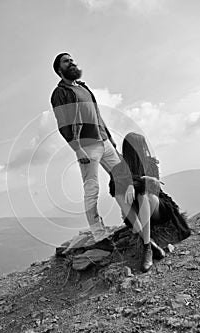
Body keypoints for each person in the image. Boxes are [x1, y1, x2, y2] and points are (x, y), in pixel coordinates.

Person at [50, 53, 121, 242]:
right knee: (92, 190)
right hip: (87, 147)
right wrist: (77, 149)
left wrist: (111, 138)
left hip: (105, 142)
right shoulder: (60, 93)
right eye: (66, 61)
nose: (71, 62)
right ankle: (99, 235)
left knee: (123, 178)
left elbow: (97, 114)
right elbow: (63, 124)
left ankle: (131, 220)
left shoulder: (83, 87)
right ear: (59, 70)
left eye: (72, 59)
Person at [109, 132, 191, 272]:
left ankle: (146, 247)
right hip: (138, 214)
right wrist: (129, 182)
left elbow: (154, 187)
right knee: (118, 195)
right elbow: (113, 187)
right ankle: (151, 245)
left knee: (144, 195)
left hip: (157, 208)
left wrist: (133, 183)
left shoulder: (150, 163)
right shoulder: (119, 168)